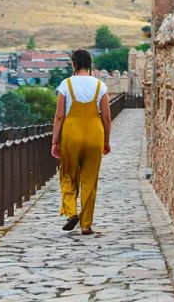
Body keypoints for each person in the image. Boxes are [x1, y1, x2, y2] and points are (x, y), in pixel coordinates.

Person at [51, 49, 111, 235]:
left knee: (67, 174)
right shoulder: (100, 86)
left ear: (74, 64)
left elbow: (60, 116)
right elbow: (107, 118)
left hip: (71, 134)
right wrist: (106, 141)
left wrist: (55, 141)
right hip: (95, 134)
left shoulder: (65, 85)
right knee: (89, 180)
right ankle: (86, 225)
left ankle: (71, 212)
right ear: (90, 64)